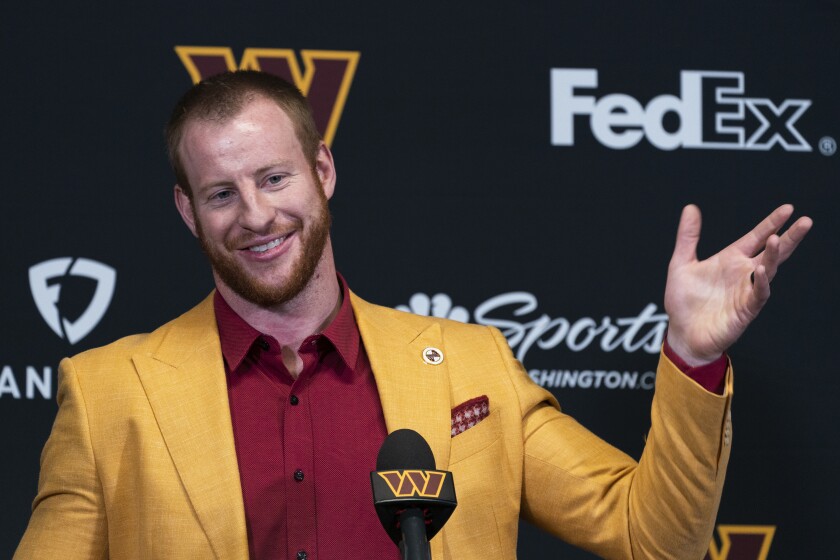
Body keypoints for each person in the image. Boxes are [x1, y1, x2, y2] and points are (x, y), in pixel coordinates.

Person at [14, 70, 812, 560]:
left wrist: (692, 352)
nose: (255, 215)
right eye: (222, 193)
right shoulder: (106, 390)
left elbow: (654, 538)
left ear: (322, 170)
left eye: (274, 178)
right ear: (188, 213)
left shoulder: (474, 366)